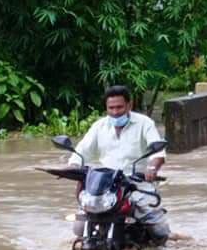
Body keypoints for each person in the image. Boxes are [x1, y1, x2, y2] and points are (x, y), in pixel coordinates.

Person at [70, 85, 169, 240]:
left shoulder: (145, 123)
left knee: (158, 230)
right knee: (78, 226)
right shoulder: (99, 126)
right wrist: (73, 166)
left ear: (129, 105)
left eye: (119, 107)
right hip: (106, 186)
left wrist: (152, 168)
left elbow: (157, 151)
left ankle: (161, 245)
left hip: (136, 183)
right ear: (106, 108)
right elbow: (82, 151)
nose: (115, 112)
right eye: (111, 108)